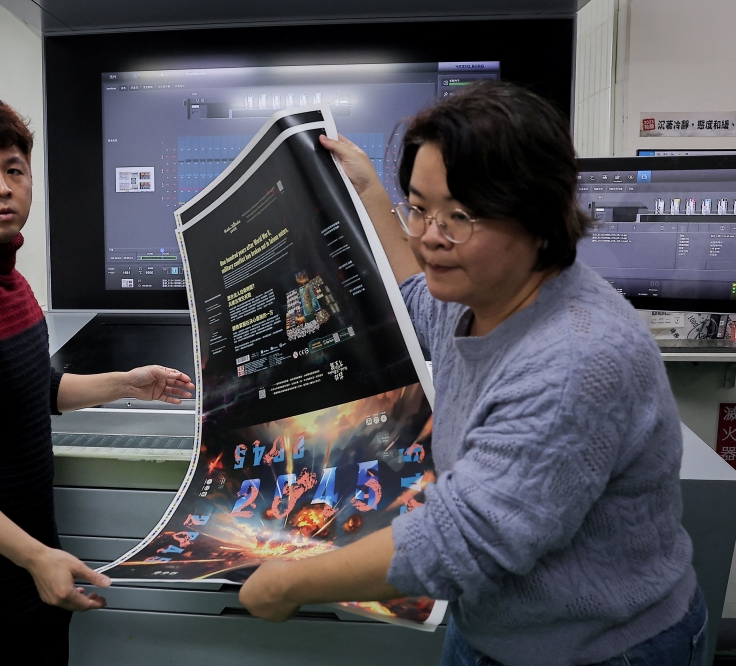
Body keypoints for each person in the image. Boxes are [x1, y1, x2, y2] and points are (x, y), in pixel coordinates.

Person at [239, 80, 707, 666]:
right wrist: (371, 194)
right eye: (419, 206)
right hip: (492, 623)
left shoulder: (575, 360)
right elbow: (414, 295)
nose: (429, 236)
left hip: (597, 648)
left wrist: (285, 583)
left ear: (536, 217)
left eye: (460, 215)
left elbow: (460, 543)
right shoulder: (482, 289)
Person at [0, 93, 193, 665]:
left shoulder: (9, 285)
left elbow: (33, 390)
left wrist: (126, 383)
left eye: (14, 169)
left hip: (29, 567)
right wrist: (33, 557)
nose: (3, 186)